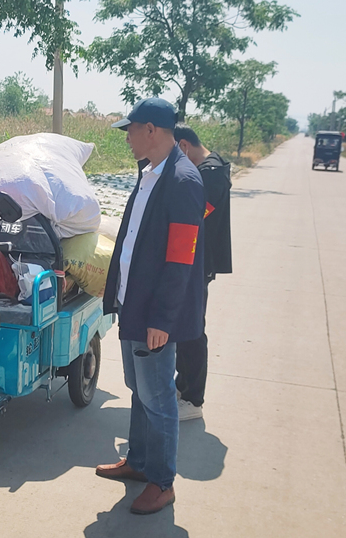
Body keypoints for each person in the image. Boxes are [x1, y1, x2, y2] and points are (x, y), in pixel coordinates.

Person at [95, 98, 205, 515]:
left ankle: (162, 482)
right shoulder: (150, 173)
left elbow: (180, 260)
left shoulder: (183, 181)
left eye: (130, 130)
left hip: (154, 314)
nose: (127, 138)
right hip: (134, 304)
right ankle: (139, 462)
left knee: (158, 399)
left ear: (151, 130)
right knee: (139, 390)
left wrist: (163, 319)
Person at [173, 124, 233, 421]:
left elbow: (194, 215)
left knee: (192, 330)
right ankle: (182, 387)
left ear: (183, 146)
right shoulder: (211, 168)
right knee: (184, 328)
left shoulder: (211, 174)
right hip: (194, 261)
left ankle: (193, 399)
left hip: (197, 263)